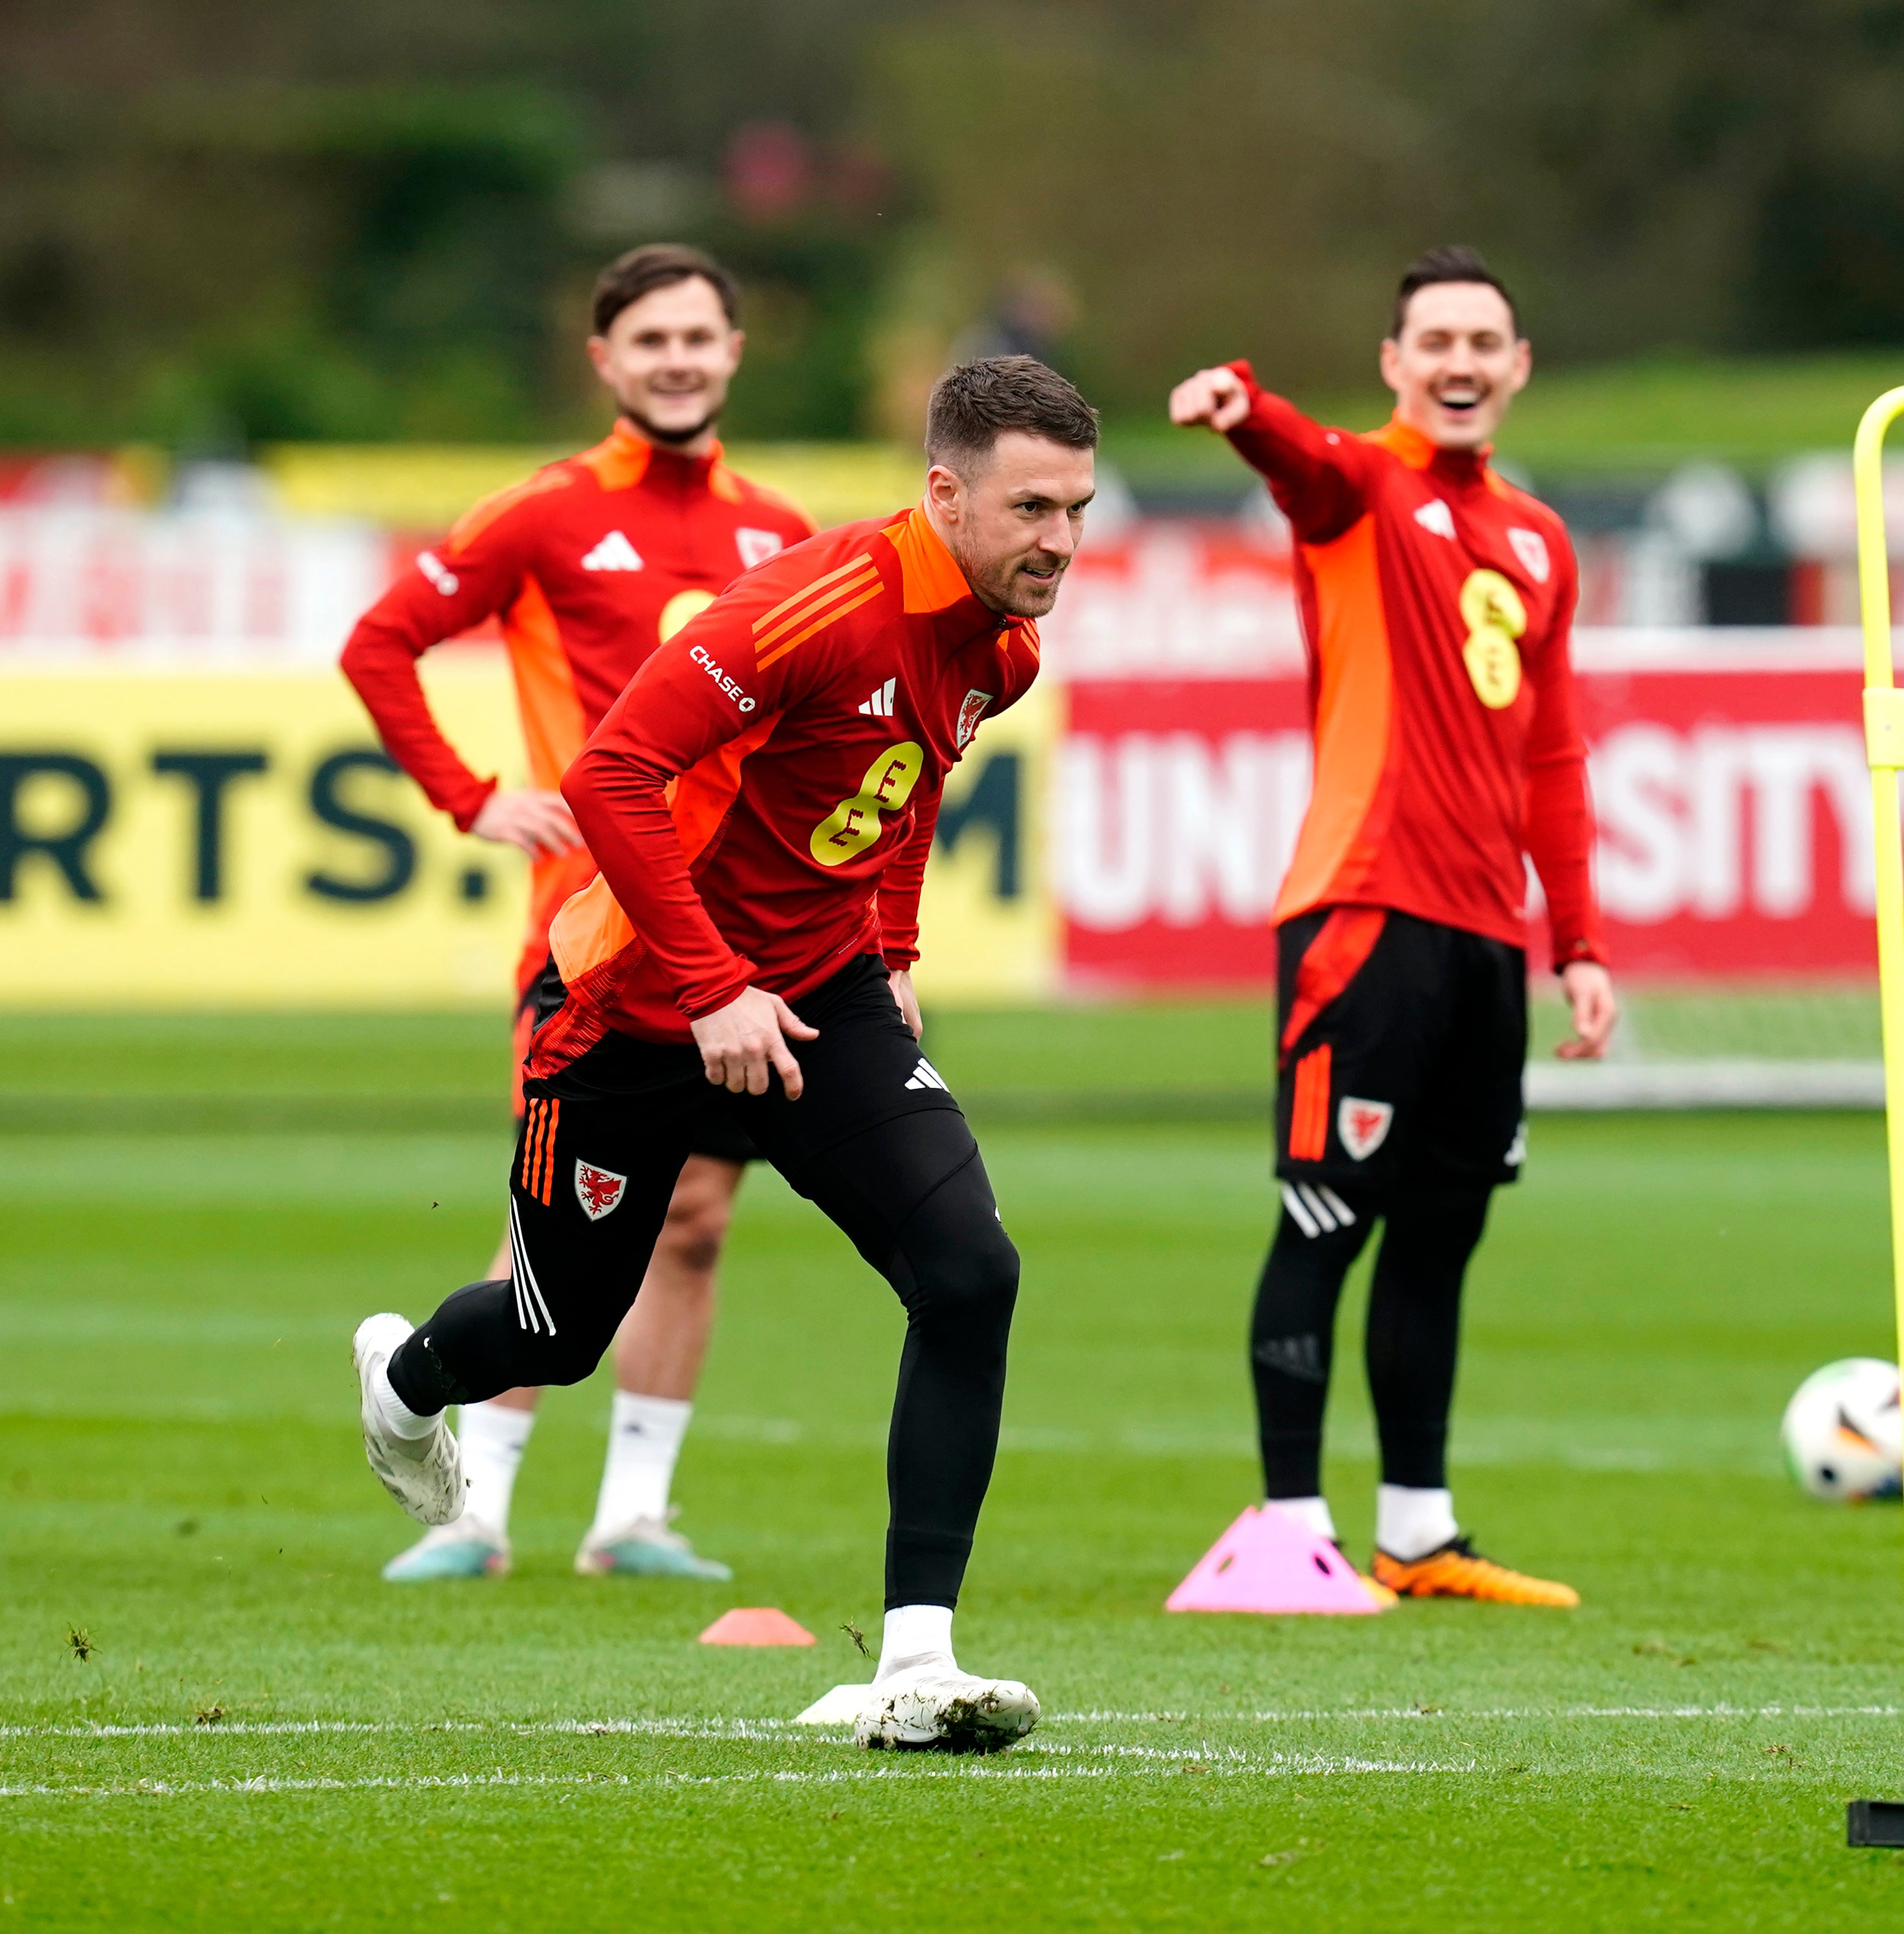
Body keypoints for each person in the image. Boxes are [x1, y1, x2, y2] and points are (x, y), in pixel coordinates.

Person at [352, 354, 1095, 1751]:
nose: (1061, 541)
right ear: (943, 492)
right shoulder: (816, 604)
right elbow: (610, 778)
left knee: (969, 1270)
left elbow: (903, 793)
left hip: (819, 1003)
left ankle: (916, 1661)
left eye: (1078, 508)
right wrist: (707, 990)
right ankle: (403, 1386)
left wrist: (895, 951)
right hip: (635, 1010)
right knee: (552, 1334)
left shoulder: (1002, 644)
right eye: (1032, 508)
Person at [340, 244, 813, 1583]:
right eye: (648, 339)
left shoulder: (781, 532)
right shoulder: (542, 514)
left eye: (698, 336)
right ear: (605, 360)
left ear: (733, 351)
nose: (677, 358)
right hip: (591, 939)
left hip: (736, 940)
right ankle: (473, 1511)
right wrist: (470, 796)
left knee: (701, 1212)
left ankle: (633, 1517)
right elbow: (379, 642)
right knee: (551, 1205)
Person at [1167, 246, 1618, 1607]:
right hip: (1363, 915)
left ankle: (1415, 1531)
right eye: (1436, 342)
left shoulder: (1540, 538)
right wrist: (1242, 404)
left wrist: (1578, 943)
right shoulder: (1362, 486)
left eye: (1485, 340)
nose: (1462, 362)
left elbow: (1553, 757)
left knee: (1443, 1232)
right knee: (1325, 1218)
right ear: (1394, 361)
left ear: (1520, 364)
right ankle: (1286, 1531)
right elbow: (1302, 466)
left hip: (1483, 938)